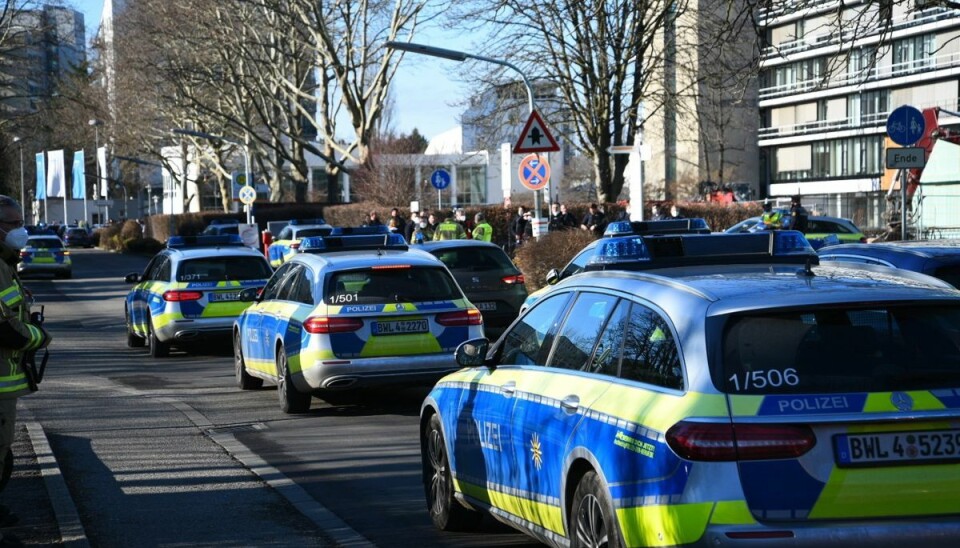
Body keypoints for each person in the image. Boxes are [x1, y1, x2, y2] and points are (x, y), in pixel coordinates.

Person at [0, 195, 52, 536]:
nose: (20, 230)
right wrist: (39, 336)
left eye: (21, 222)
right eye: (12, 224)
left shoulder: (5, 266)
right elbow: (5, 329)